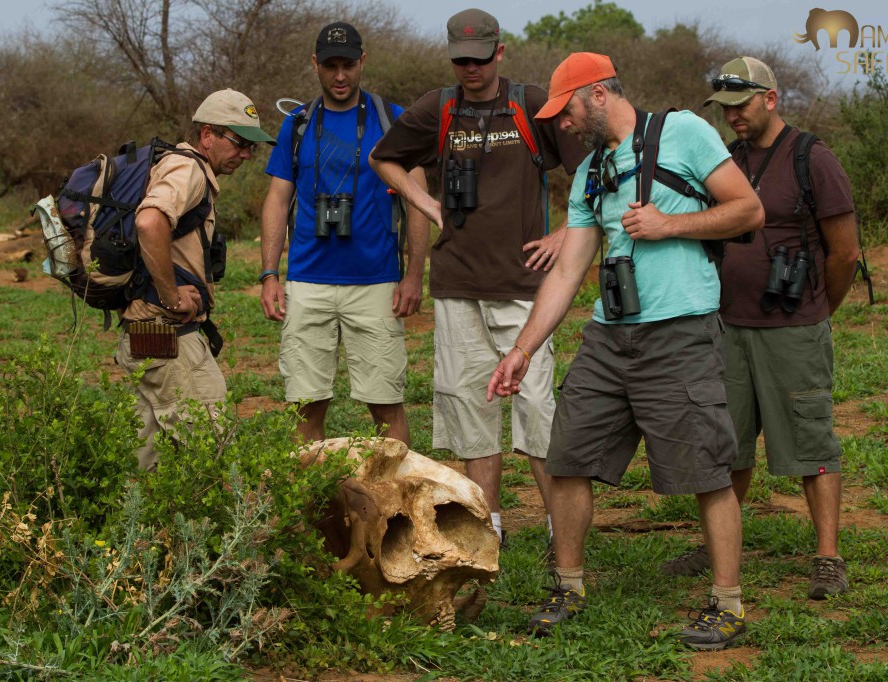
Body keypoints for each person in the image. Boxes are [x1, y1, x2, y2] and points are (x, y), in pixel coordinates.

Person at [488, 52, 765, 649]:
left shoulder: (683, 131)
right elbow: (566, 272)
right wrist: (523, 350)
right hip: (610, 334)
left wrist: (670, 226)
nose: (559, 124)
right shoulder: (590, 172)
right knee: (566, 455)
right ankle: (568, 586)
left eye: (564, 111)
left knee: (707, 470)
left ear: (596, 95)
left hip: (681, 331)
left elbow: (748, 209)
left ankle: (728, 603)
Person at [369, 8, 586, 545]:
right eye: (461, 59)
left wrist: (566, 233)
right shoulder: (440, 107)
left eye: (480, 58)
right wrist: (427, 203)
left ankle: (563, 529)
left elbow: (593, 169)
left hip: (523, 287)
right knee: (470, 411)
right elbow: (385, 158)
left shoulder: (531, 105)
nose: (471, 68)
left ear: (500, 52)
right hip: (458, 285)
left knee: (537, 412)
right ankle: (487, 528)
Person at [661, 57, 859, 601]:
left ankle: (827, 556)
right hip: (727, 326)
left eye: (741, 105)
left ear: (771, 98)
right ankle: (716, 545)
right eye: (724, 109)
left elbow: (844, 253)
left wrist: (817, 310)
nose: (733, 117)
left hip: (794, 328)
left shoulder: (811, 158)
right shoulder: (727, 159)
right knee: (728, 443)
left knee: (810, 437)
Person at [259, 22, 429, 445]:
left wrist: (414, 274)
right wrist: (269, 274)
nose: (340, 75)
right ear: (315, 65)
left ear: (362, 63)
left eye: (348, 65)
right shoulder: (297, 125)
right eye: (330, 65)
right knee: (306, 405)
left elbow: (418, 199)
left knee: (386, 405)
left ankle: (394, 506)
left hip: (376, 284)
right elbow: (278, 200)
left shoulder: (393, 120)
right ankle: (313, 508)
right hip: (307, 282)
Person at [117, 89, 276, 471]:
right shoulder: (187, 169)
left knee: (148, 460)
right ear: (208, 135)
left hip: (144, 336)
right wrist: (171, 297)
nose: (246, 155)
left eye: (252, 147)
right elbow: (149, 220)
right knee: (210, 452)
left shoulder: (182, 167)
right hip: (169, 336)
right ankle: (211, 532)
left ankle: (143, 531)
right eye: (239, 143)